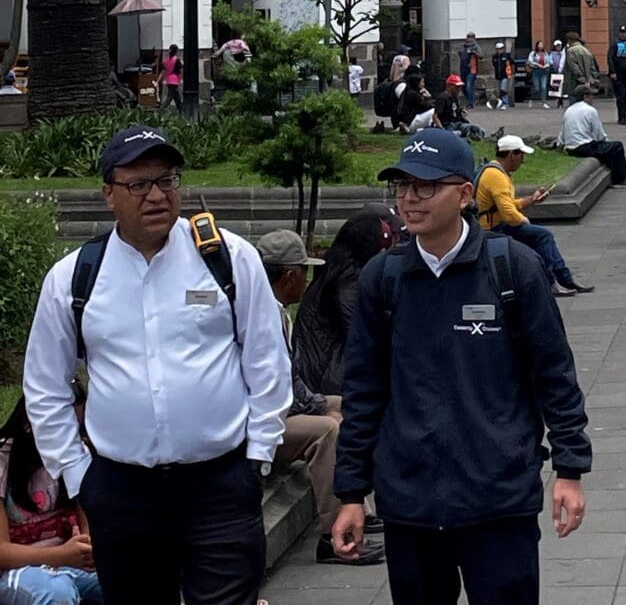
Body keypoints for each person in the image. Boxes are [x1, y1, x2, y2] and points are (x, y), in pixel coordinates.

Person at [23, 124, 293, 605]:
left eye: (167, 180)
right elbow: (45, 388)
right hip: (122, 491)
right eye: (139, 184)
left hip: (221, 486)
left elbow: (268, 364)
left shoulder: (228, 260)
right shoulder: (75, 278)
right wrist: (78, 474)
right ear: (109, 194)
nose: (157, 196)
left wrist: (259, 456)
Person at [331, 128, 592, 603]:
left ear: (465, 194)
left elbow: (554, 375)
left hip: (498, 504)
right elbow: (364, 391)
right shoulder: (383, 279)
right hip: (410, 509)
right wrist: (351, 493)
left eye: (425, 186)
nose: (410, 198)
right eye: (402, 186)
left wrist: (570, 469)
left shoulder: (512, 269)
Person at [256, 230, 385, 567]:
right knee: (327, 429)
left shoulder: (277, 309)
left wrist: (321, 402)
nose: (308, 280)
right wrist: (318, 406)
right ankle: (332, 536)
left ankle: (360, 506)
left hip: (286, 405)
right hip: (267, 420)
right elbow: (279, 382)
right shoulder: (263, 315)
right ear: (289, 276)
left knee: (351, 405)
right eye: (304, 272)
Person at [0, 384, 102, 605]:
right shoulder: (3, 462)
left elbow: (87, 526)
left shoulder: (76, 455)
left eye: (77, 429)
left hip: (69, 560)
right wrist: (61, 556)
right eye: (63, 429)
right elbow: (2, 552)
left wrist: (87, 546)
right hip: (17, 569)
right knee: (57, 593)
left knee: (130, 578)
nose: (71, 438)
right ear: (31, 422)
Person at [293, 210, 400, 398]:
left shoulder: (334, 267)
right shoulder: (348, 279)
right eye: (382, 251)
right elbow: (364, 332)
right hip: (327, 376)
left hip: (316, 368)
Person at [475, 135, 594, 296]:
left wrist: (531, 200)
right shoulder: (496, 177)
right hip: (495, 227)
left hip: (497, 224)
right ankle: (560, 279)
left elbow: (507, 205)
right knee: (542, 236)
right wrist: (525, 221)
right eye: (521, 155)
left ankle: (557, 280)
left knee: (539, 237)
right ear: (511, 155)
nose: (522, 160)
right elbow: (509, 214)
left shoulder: (497, 172)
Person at [558, 84, 626, 188]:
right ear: (585, 96)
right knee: (617, 146)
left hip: (571, 148)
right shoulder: (590, 110)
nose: (593, 98)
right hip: (583, 147)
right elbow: (599, 134)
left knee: (606, 148)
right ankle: (620, 179)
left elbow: (562, 134)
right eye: (591, 95)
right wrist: (606, 142)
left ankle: (622, 176)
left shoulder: (569, 110)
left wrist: (560, 144)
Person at [434, 75, 486, 141]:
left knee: (478, 129)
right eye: (456, 87)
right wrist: (441, 129)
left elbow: (455, 109)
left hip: (458, 123)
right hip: (448, 125)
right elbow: (435, 116)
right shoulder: (442, 98)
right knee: (457, 134)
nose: (459, 89)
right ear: (449, 86)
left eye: (459, 87)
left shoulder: (454, 97)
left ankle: (471, 134)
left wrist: (461, 110)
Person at [607, 24, 626, 125]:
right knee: (621, 95)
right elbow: (610, 58)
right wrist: (612, 72)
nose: (624, 35)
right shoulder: (615, 45)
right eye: (622, 33)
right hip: (619, 74)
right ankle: (621, 117)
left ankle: (624, 116)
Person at [563, 32, 596, 103]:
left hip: (574, 82)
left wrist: (581, 78)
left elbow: (573, 68)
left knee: (574, 103)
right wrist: (590, 80)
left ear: (569, 40)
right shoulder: (586, 50)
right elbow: (593, 67)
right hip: (587, 81)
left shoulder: (570, 51)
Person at [458, 32, 483, 109]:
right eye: (468, 37)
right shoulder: (463, 46)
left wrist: (474, 52)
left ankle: (470, 103)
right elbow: (460, 54)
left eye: (471, 37)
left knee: (469, 86)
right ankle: (469, 99)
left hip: (472, 69)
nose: (469, 39)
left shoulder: (476, 47)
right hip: (463, 69)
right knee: (463, 87)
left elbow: (481, 56)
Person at [526, 41, 551, 108]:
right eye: (539, 44)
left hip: (544, 71)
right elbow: (530, 61)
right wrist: (537, 64)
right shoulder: (533, 53)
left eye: (542, 44)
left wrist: (546, 65)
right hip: (536, 71)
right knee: (537, 88)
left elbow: (548, 61)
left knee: (543, 87)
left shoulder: (545, 53)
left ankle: (544, 102)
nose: (541, 45)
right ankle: (531, 99)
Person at [159, 43, 183, 110]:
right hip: (175, 81)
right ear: (176, 51)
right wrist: (181, 79)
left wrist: (158, 81)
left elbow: (163, 71)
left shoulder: (166, 60)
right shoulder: (176, 59)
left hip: (168, 81)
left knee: (177, 98)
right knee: (169, 98)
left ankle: (181, 110)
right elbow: (181, 70)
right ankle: (160, 110)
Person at [492, 41, 513, 109]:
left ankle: (505, 103)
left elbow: (512, 61)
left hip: (505, 75)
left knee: (503, 89)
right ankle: (501, 103)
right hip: (498, 75)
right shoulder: (494, 56)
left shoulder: (506, 55)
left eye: (501, 48)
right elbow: (494, 65)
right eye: (498, 49)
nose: (499, 50)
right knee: (500, 90)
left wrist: (509, 55)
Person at [549, 40, 565, 107]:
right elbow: (550, 61)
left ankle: (560, 100)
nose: (558, 47)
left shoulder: (563, 53)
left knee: (562, 86)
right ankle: (559, 100)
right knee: (557, 86)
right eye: (557, 46)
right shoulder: (552, 54)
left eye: (559, 45)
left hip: (563, 72)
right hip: (555, 72)